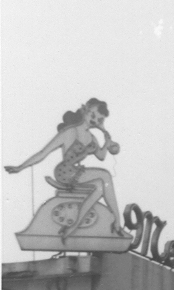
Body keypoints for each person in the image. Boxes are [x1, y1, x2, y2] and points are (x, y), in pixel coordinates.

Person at [5, 98, 125, 240]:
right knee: (105, 176)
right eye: (92, 115)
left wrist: (106, 138)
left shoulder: (92, 138)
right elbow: (43, 153)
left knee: (100, 187)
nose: (94, 121)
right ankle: (117, 221)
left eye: (98, 120)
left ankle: (74, 226)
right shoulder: (70, 132)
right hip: (65, 172)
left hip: (77, 172)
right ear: (84, 110)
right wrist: (20, 167)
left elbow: (101, 155)